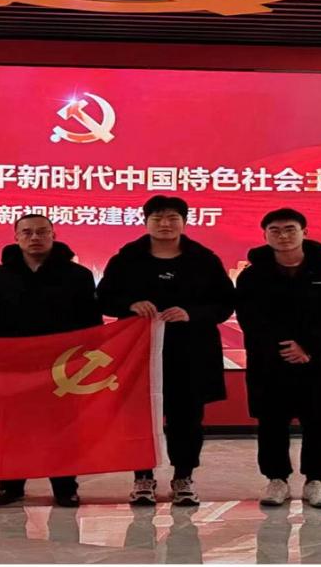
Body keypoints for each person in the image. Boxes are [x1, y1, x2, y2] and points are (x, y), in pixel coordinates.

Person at [97, 195, 236, 507]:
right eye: (157, 218)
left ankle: (183, 477)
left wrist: (191, 313)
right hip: (139, 352)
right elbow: (103, 298)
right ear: (145, 221)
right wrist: (130, 305)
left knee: (187, 418)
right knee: (139, 417)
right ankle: (142, 477)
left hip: (191, 351)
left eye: (173, 218)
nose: (165, 224)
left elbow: (225, 303)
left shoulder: (204, 259)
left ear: (184, 222)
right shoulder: (127, 258)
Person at [236, 208, 321, 509]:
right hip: (271, 361)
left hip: (320, 361)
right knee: (271, 422)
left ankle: (316, 481)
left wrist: (307, 347)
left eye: (290, 229)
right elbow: (250, 319)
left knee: (320, 422)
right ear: (265, 235)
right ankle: (276, 480)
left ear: (304, 232)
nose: (283, 235)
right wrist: (284, 348)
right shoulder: (252, 275)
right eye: (275, 230)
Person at [0, 214, 103, 507]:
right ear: (16, 237)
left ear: (53, 235)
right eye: (27, 232)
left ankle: (65, 486)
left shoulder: (78, 275)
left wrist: (81, 360)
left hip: (62, 365)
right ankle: (10, 485)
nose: (34, 237)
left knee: (63, 427)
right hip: (13, 365)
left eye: (41, 232)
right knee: (11, 427)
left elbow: (91, 322)